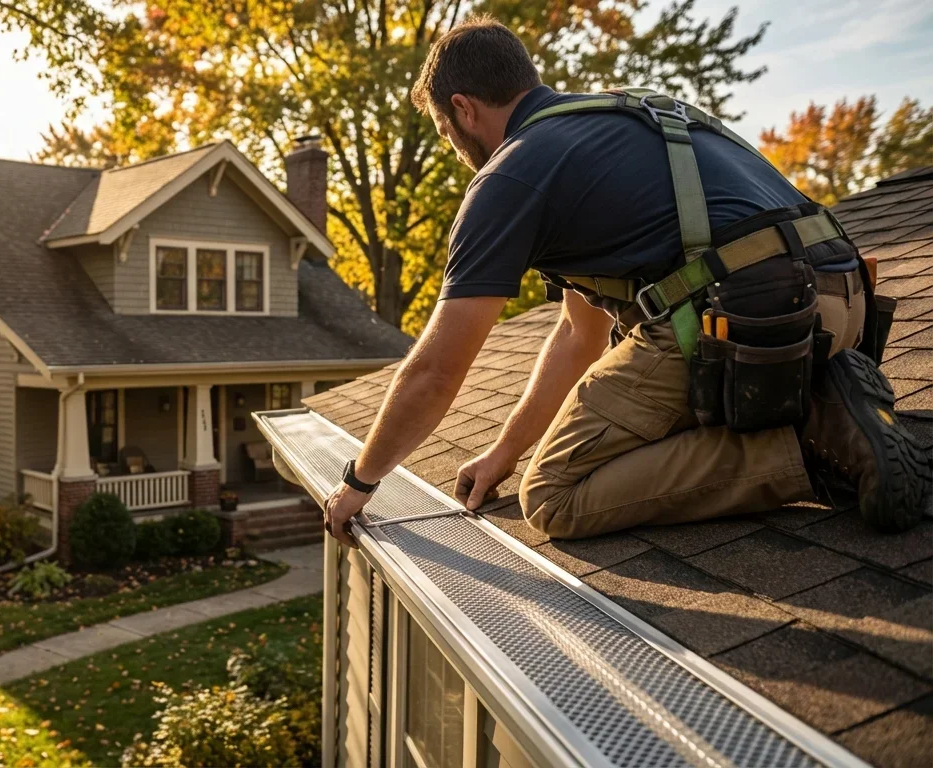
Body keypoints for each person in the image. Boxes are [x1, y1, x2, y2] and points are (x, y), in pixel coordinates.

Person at [323, 17, 932, 548]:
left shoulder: (510, 174)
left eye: (442, 128)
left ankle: (813, 446)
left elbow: (435, 371)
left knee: (555, 494)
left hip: (748, 313)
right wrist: (503, 453)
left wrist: (359, 482)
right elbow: (576, 335)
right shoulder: (621, 118)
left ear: (463, 108)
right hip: (844, 301)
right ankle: (827, 391)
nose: (452, 145)